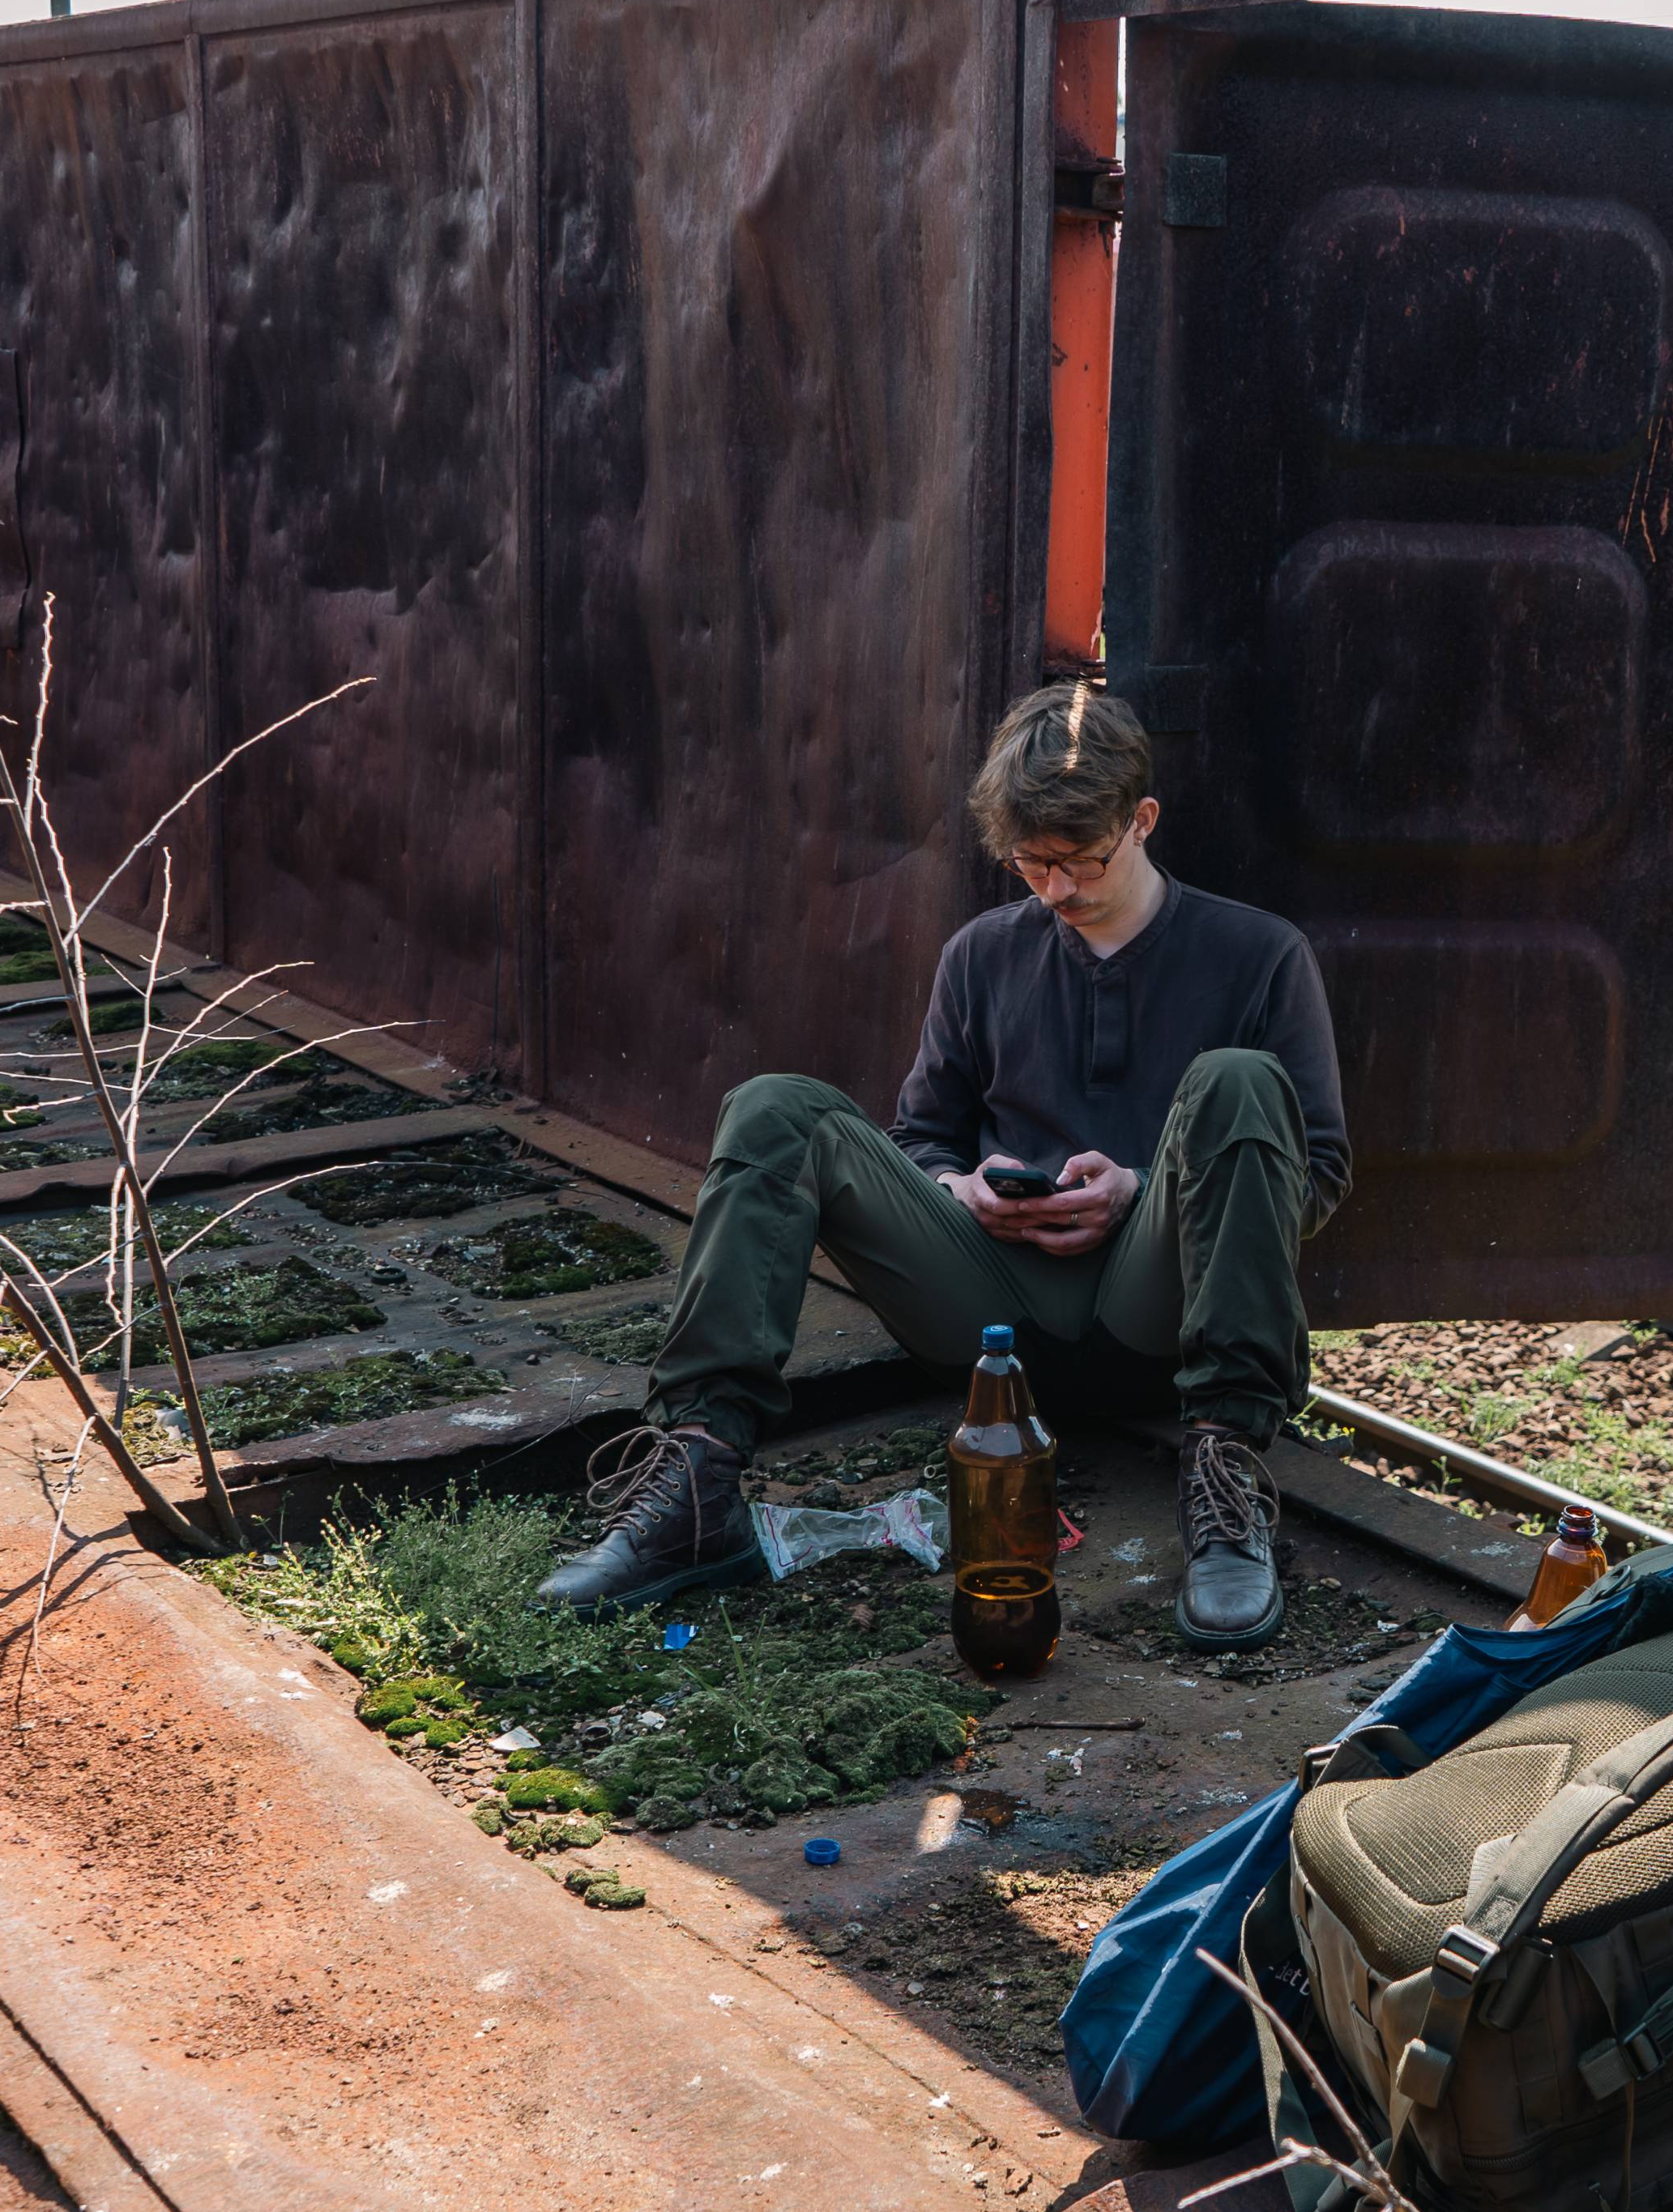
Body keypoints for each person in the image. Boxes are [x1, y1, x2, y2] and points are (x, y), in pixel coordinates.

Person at [541, 684, 1348, 1648]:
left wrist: (1139, 1190)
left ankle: (1224, 1482)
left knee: (1237, 1083)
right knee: (774, 1110)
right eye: (1029, 865)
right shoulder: (982, 956)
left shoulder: (1260, 956)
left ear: (1141, 822)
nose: (1054, 890)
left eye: (1077, 861)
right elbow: (920, 1136)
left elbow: (1317, 1173)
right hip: (988, 1325)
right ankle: (699, 1475)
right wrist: (953, 1187)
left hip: (1159, 1315)